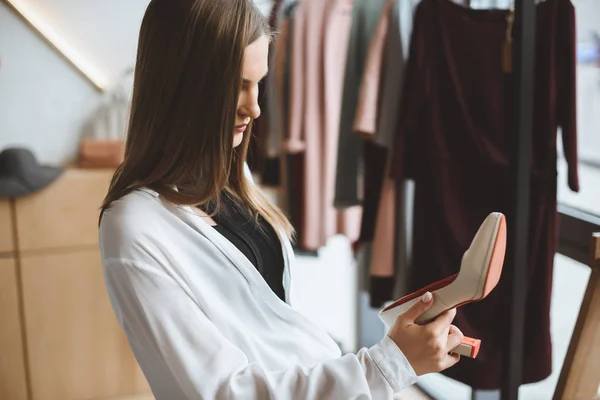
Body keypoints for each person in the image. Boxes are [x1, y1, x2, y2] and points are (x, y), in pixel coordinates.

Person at [98, 0, 463, 398]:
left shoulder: (233, 179)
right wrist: (387, 364)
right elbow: (223, 390)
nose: (254, 108)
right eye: (236, 86)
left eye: (258, 84)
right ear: (183, 85)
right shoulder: (135, 227)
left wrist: (395, 348)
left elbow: (270, 327)